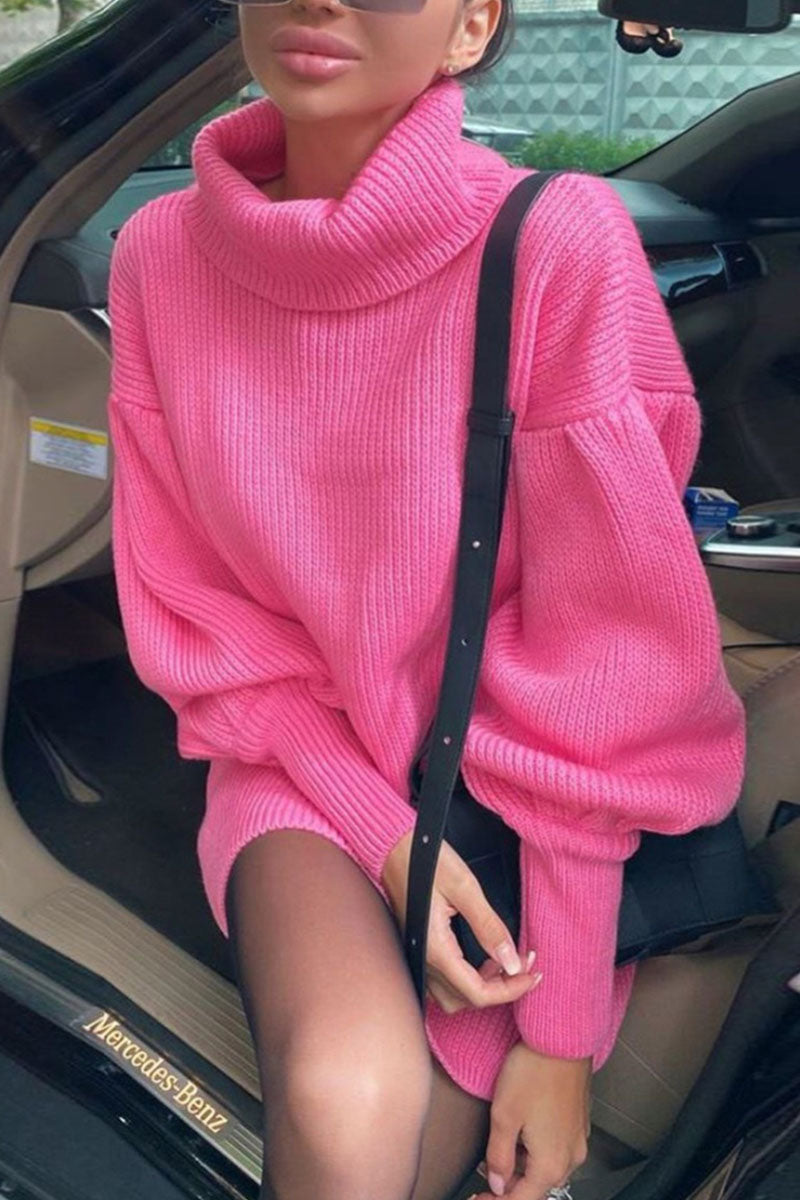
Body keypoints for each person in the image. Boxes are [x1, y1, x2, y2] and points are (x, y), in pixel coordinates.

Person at [105, 0, 745, 1197]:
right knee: (349, 1102)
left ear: (469, 25)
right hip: (295, 762)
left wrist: (559, 1034)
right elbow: (199, 607)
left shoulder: (554, 243)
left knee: (439, 1161)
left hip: (520, 786)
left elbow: (607, 656)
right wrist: (382, 832)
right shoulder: (157, 255)